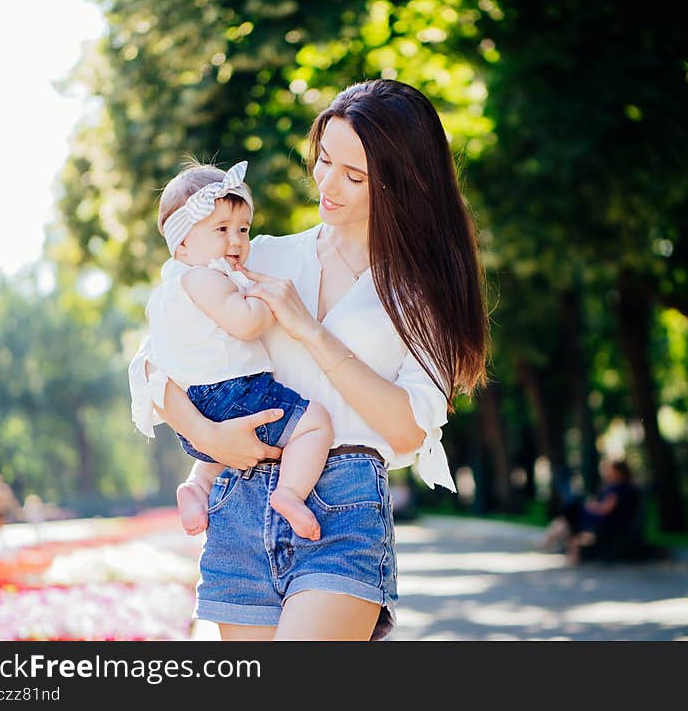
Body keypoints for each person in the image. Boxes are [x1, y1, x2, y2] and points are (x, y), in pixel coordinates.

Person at [129, 78, 488, 641]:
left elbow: (411, 426)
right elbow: (154, 366)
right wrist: (210, 438)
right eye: (324, 160)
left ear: (400, 184)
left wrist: (310, 330)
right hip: (241, 499)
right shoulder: (254, 254)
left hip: (344, 502)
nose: (327, 184)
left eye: (353, 175)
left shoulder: (421, 292)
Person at [131, 160, 333, 540]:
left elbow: (149, 364)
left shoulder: (168, 291)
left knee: (222, 454)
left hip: (196, 406)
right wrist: (266, 300)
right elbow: (244, 323)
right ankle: (289, 493)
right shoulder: (206, 277)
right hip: (234, 392)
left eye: (243, 229)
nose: (236, 241)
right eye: (221, 229)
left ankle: (197, 485)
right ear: (183, 244)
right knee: (316, 422)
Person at [539, 458, 640, 563]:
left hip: (609, 522)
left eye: (610, 470)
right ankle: (557, 545)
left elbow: (606, 509)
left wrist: (592, 506)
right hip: (608, 520)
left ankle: (551, 543)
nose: (607, 473)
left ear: (619, 471)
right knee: (571, 514)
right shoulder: (618, 486)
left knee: (572, 512)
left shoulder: (619, 488)